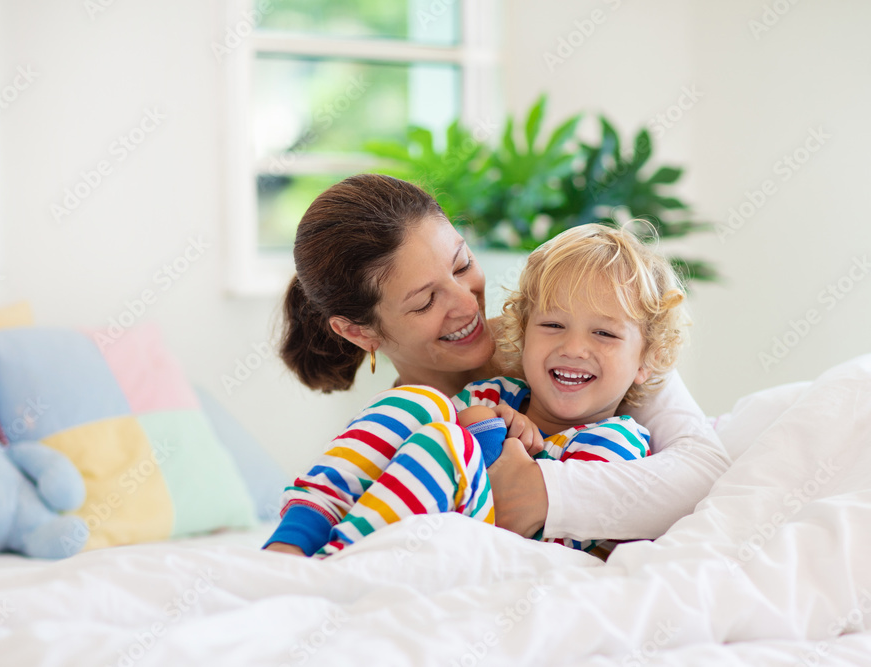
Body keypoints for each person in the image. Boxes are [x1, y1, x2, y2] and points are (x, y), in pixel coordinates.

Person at [265, 174, 729, 555]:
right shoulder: (459, 392)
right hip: (427, 525)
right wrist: (479, 425)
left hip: (509, 544)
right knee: (420, 405)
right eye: (426, 301)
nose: (467, 304)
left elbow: (703, 469)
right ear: (359, 331)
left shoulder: (572, 352)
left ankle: (329, 568)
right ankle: (291, 552)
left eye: (463, 264)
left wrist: (542, 491)